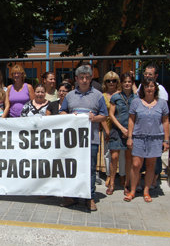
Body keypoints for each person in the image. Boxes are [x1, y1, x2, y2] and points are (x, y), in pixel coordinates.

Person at [59, 65, 108, 211]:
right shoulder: (70, 96)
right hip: (73, 141)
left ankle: (89, 197)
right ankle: (71, 196)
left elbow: (104, 115)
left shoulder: (98, 95)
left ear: (91, 78)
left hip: (91, 140)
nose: (84, 80)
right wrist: (69, 116)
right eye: (81, 77)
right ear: (76, 79)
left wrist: (94, 118)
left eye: (87, 77)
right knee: (72, 168)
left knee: (90, 169)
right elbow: (62, 112)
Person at [124, 78, 169, 203]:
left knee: (150, 165)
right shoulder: (136, 102)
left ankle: (146, 191)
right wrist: (129, 137)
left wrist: (166, 140)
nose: (149, 88)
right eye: (147, 86)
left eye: (151, 86)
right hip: (139, 137)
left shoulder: (162, 103)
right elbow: (131, 120)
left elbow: (165, 122)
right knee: (136, 165)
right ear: (143, 88)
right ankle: (132, 190)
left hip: (155, 138)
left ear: (155, 88)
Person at [137, 64, 168, 189]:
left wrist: (166, 139)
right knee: (141, 160)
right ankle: (140, 183)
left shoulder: (162, 90)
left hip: (155, 132)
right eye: (146, 74)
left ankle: (153, 182)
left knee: (155, 160)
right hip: (142, 132)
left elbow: (164, 116)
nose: (147, 76)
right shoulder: (140, 86)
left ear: (155, 76)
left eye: (150, 74)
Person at [107, 73, 137, 195]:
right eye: (125, 82)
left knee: (129, 158)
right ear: (121, 83)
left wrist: (129, 131)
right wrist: (121, 128)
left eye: (129, 82)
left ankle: (126, 184)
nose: (127, 84)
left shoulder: (136, 98)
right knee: (114, 157)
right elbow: (111, 114)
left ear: (132, 83)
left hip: (131, 131)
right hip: (117, 130)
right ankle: (112, 183)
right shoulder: (116, 97)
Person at [100, 71, 121, 190]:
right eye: (108, 81)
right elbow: (102, 113)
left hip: (120, 127)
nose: (111, 83)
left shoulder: (122, 94)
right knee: (108, 153)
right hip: (107, 126)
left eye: (114, 81)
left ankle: (121, 175)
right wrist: (106, 129)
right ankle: (108, 174)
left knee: (120, 154)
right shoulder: (103, 96)